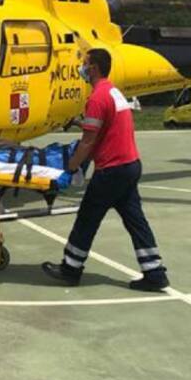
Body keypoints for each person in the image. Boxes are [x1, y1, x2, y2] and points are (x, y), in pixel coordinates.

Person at [41, 48, 170, 292]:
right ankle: (154, 272)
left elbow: (88, 141)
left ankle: (71, 268)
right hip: (130, 165)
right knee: (135, 221)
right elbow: (104, 128)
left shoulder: (97, 98)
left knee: (87, 219)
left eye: (85, 63)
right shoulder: (113, 92)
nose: (82, 67)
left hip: (112, 169)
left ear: (94, 68)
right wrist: (80, 122)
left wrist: (71, 165)